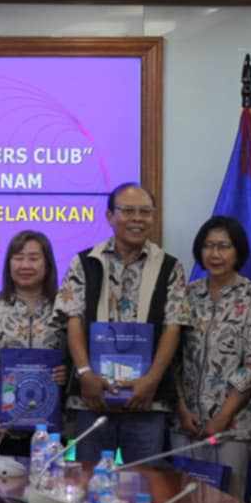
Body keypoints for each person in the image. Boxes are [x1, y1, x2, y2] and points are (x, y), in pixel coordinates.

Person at [54, 183, 191, 464]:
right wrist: (85, 373)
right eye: (128, 211)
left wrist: (151, 380)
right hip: (92, 396)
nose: (137, 219)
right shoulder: (84, 262)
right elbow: (73, 320)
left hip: (147, 399)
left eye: (145, 212)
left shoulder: (170, 267)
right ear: (110, 216)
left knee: (146, 483)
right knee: (89, 481)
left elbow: (173, 326)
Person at [172, 216, 251, 502]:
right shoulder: (186, 295)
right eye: (208, 246)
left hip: (233, 426)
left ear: (238, 251)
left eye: (224, 246)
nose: (215, 254)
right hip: (186, 424)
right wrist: (181, 409)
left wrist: (223, 416)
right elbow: (172, 359)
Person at [0, 230, 66, 457]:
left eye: (33, 258)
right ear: (9, 264)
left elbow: (77, 358)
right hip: (2, 423)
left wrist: (67, 372)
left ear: (47, 264)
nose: (25, 265)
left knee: (48, 478)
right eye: (18, 258)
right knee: (4, 479)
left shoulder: (63, 309)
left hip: (50, 423)